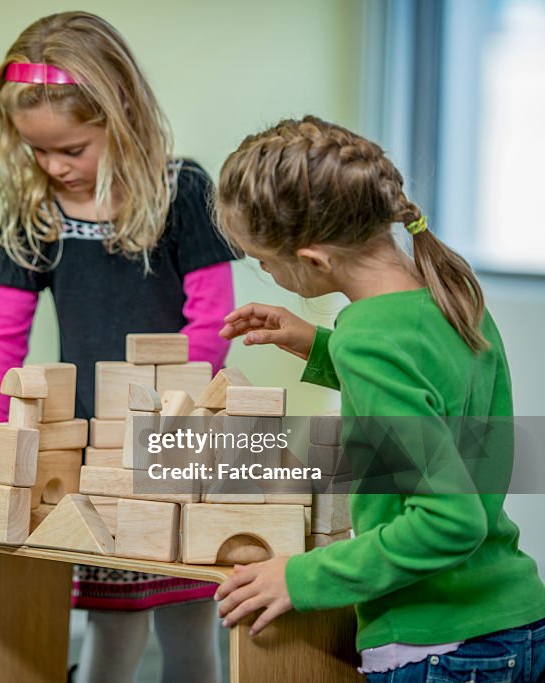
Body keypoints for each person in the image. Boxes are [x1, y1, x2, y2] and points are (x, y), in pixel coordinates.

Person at [213, 115, 545, 681]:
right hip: (513, 619)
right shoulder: (449, 295)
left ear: (313, 258)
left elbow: (449, 523)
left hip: (437, 644)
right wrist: (322, 347)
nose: (265, 273)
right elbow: (432, 400)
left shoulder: (368, 339)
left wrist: (300, 577)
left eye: (263, 261)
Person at [0, 12, 236, 683]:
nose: (55, 166)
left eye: (72, 149)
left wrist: (172, 419)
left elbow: (211, 322)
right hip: (89, 456)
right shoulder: (36, 213)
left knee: (191, 626)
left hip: (178, 442)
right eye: (38, 151)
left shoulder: (185, 193)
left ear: (121, 117)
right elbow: (0, 335)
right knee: (112, 626)